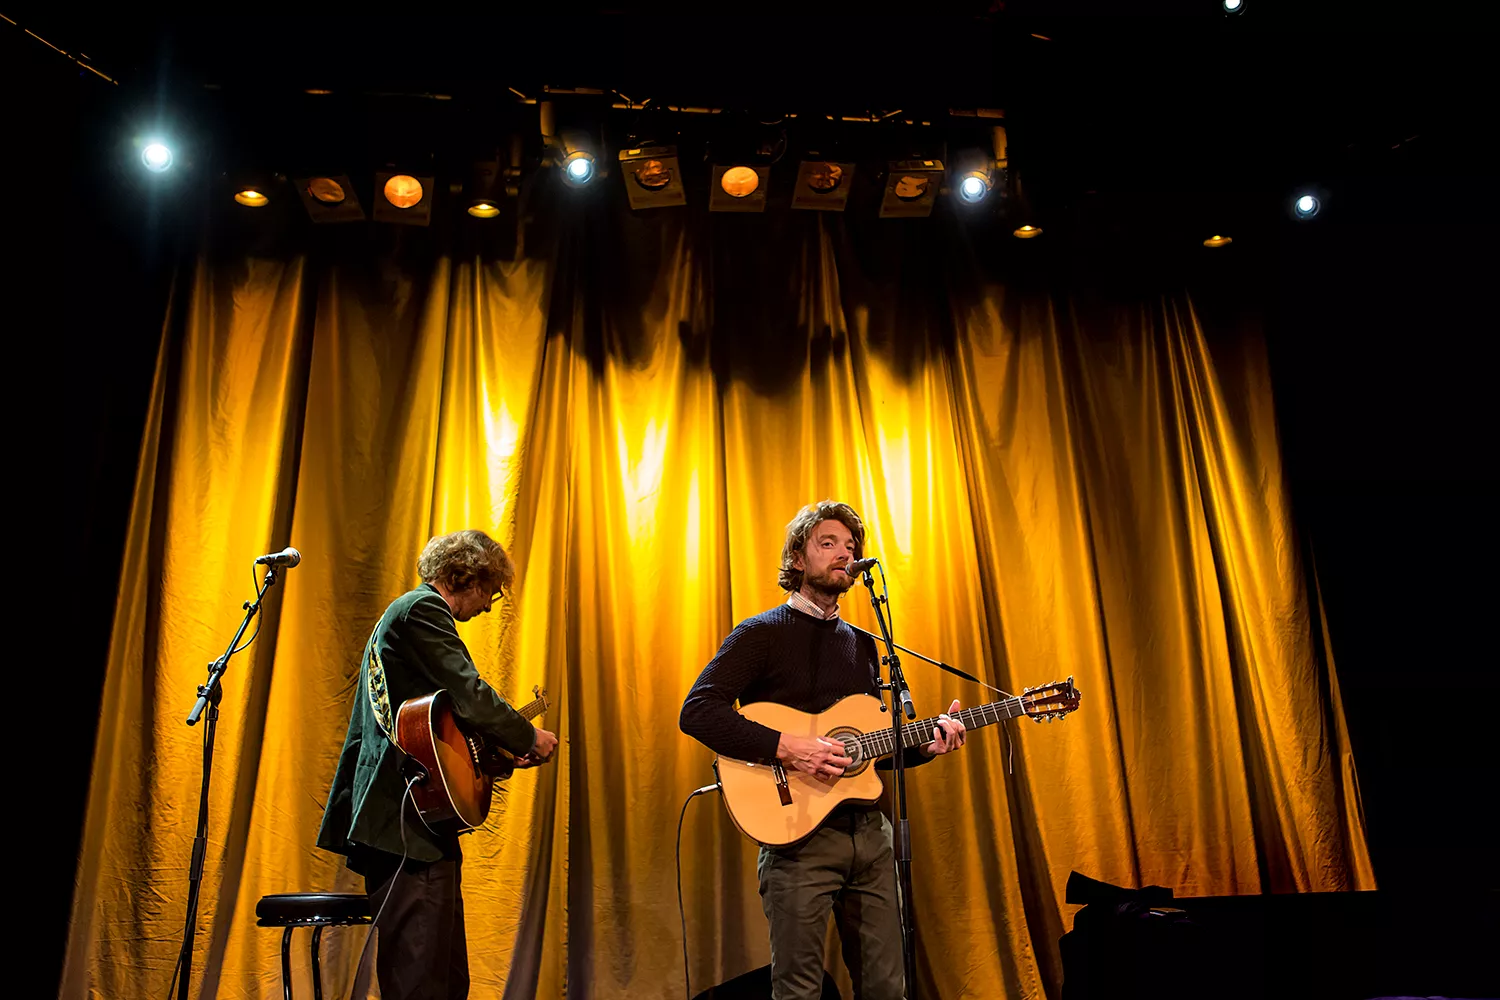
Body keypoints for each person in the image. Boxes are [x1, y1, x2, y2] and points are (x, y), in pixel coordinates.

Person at [680, 501, 967, 1000]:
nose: (844, 554)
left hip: (871, 837)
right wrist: (789, 748)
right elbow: (698, 711)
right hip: (797, 840)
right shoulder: (761, 634)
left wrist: (927, 745)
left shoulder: (864, 644)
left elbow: (870, 749)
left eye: (850, 547)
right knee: (798, 992)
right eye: (828, 543)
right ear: (797, 557)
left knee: (887, 989)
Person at [317, 529, 559, 1000]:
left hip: (420, 822)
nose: (488, 606)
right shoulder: (423, 610)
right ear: (463, 576)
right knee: (420, 982)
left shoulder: (409, 616)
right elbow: (469, 693)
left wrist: (499, 756)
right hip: (406, 825)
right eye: (490, 591)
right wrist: (528, 734)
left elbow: (434, 728)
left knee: (445, 978)